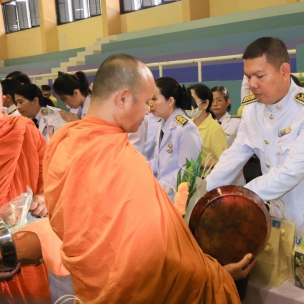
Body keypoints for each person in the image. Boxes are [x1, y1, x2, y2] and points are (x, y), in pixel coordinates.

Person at [43, 54, 253, 303]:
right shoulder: (122, 162)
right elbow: (155, 263)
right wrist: (217, 276)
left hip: (89, 283)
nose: (147, 111)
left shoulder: (62, 140)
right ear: (122, 99)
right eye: (145, 101)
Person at [206, 37, 304, 230]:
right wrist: (205, 194)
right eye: (248, 77)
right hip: (277, 214)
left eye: (259, 76)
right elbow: (234, 155)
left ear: (284, 71)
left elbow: (289, 173)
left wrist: (236, 198)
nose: (252, 84)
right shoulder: (252, 109)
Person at [0, 82, 50, 303]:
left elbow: (52, 179)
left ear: (2, 99)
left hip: (27, 254)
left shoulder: (23, 129)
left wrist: (46, 198)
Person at [149, 77, 203, 199]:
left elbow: (187, 173)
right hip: (162, 194)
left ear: (170, 101)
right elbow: (158, 162)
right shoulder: (161, 123)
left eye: (154, 98)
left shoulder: (186, 128)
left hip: (177, 198)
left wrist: (157, 186)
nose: (150, 103)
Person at [211, 85, 246, 185]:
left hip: (233, 177)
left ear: (227, 102)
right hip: (210, 176)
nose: (215, 104)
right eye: (212, 101)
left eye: (219, 100)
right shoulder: (206, 125)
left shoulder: (237, 122)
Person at [189, 83, 228, 167]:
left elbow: (224, 160)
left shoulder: (214, 129)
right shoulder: (186, 125)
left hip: (208, 177)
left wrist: (201, 165)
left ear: (205, 104)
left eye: (192, 100)